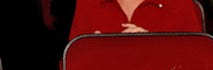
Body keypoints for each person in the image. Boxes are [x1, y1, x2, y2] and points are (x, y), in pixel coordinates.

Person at [69, 0, 203, 37]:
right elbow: (71, 68)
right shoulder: (88, 3)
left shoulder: (179, 4)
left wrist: (154, 47)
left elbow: (195, 65)